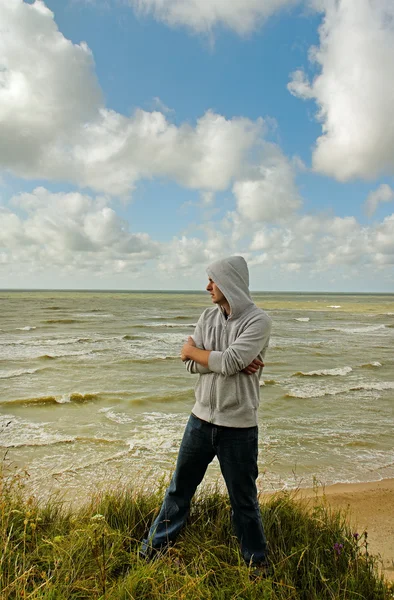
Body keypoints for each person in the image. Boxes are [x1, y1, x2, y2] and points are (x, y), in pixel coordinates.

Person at [140, 255, 272, 573]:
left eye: (212, 280)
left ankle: (257, 566)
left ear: (229, 282)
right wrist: (225, 361)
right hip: (199, 421)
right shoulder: (207, 317)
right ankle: (151, 553)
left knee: (243, 502)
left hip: (238, 427)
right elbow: (190, 365)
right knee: (178, 491)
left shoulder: (258, 321)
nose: (207, 287)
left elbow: (220, 361)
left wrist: (205, 355)